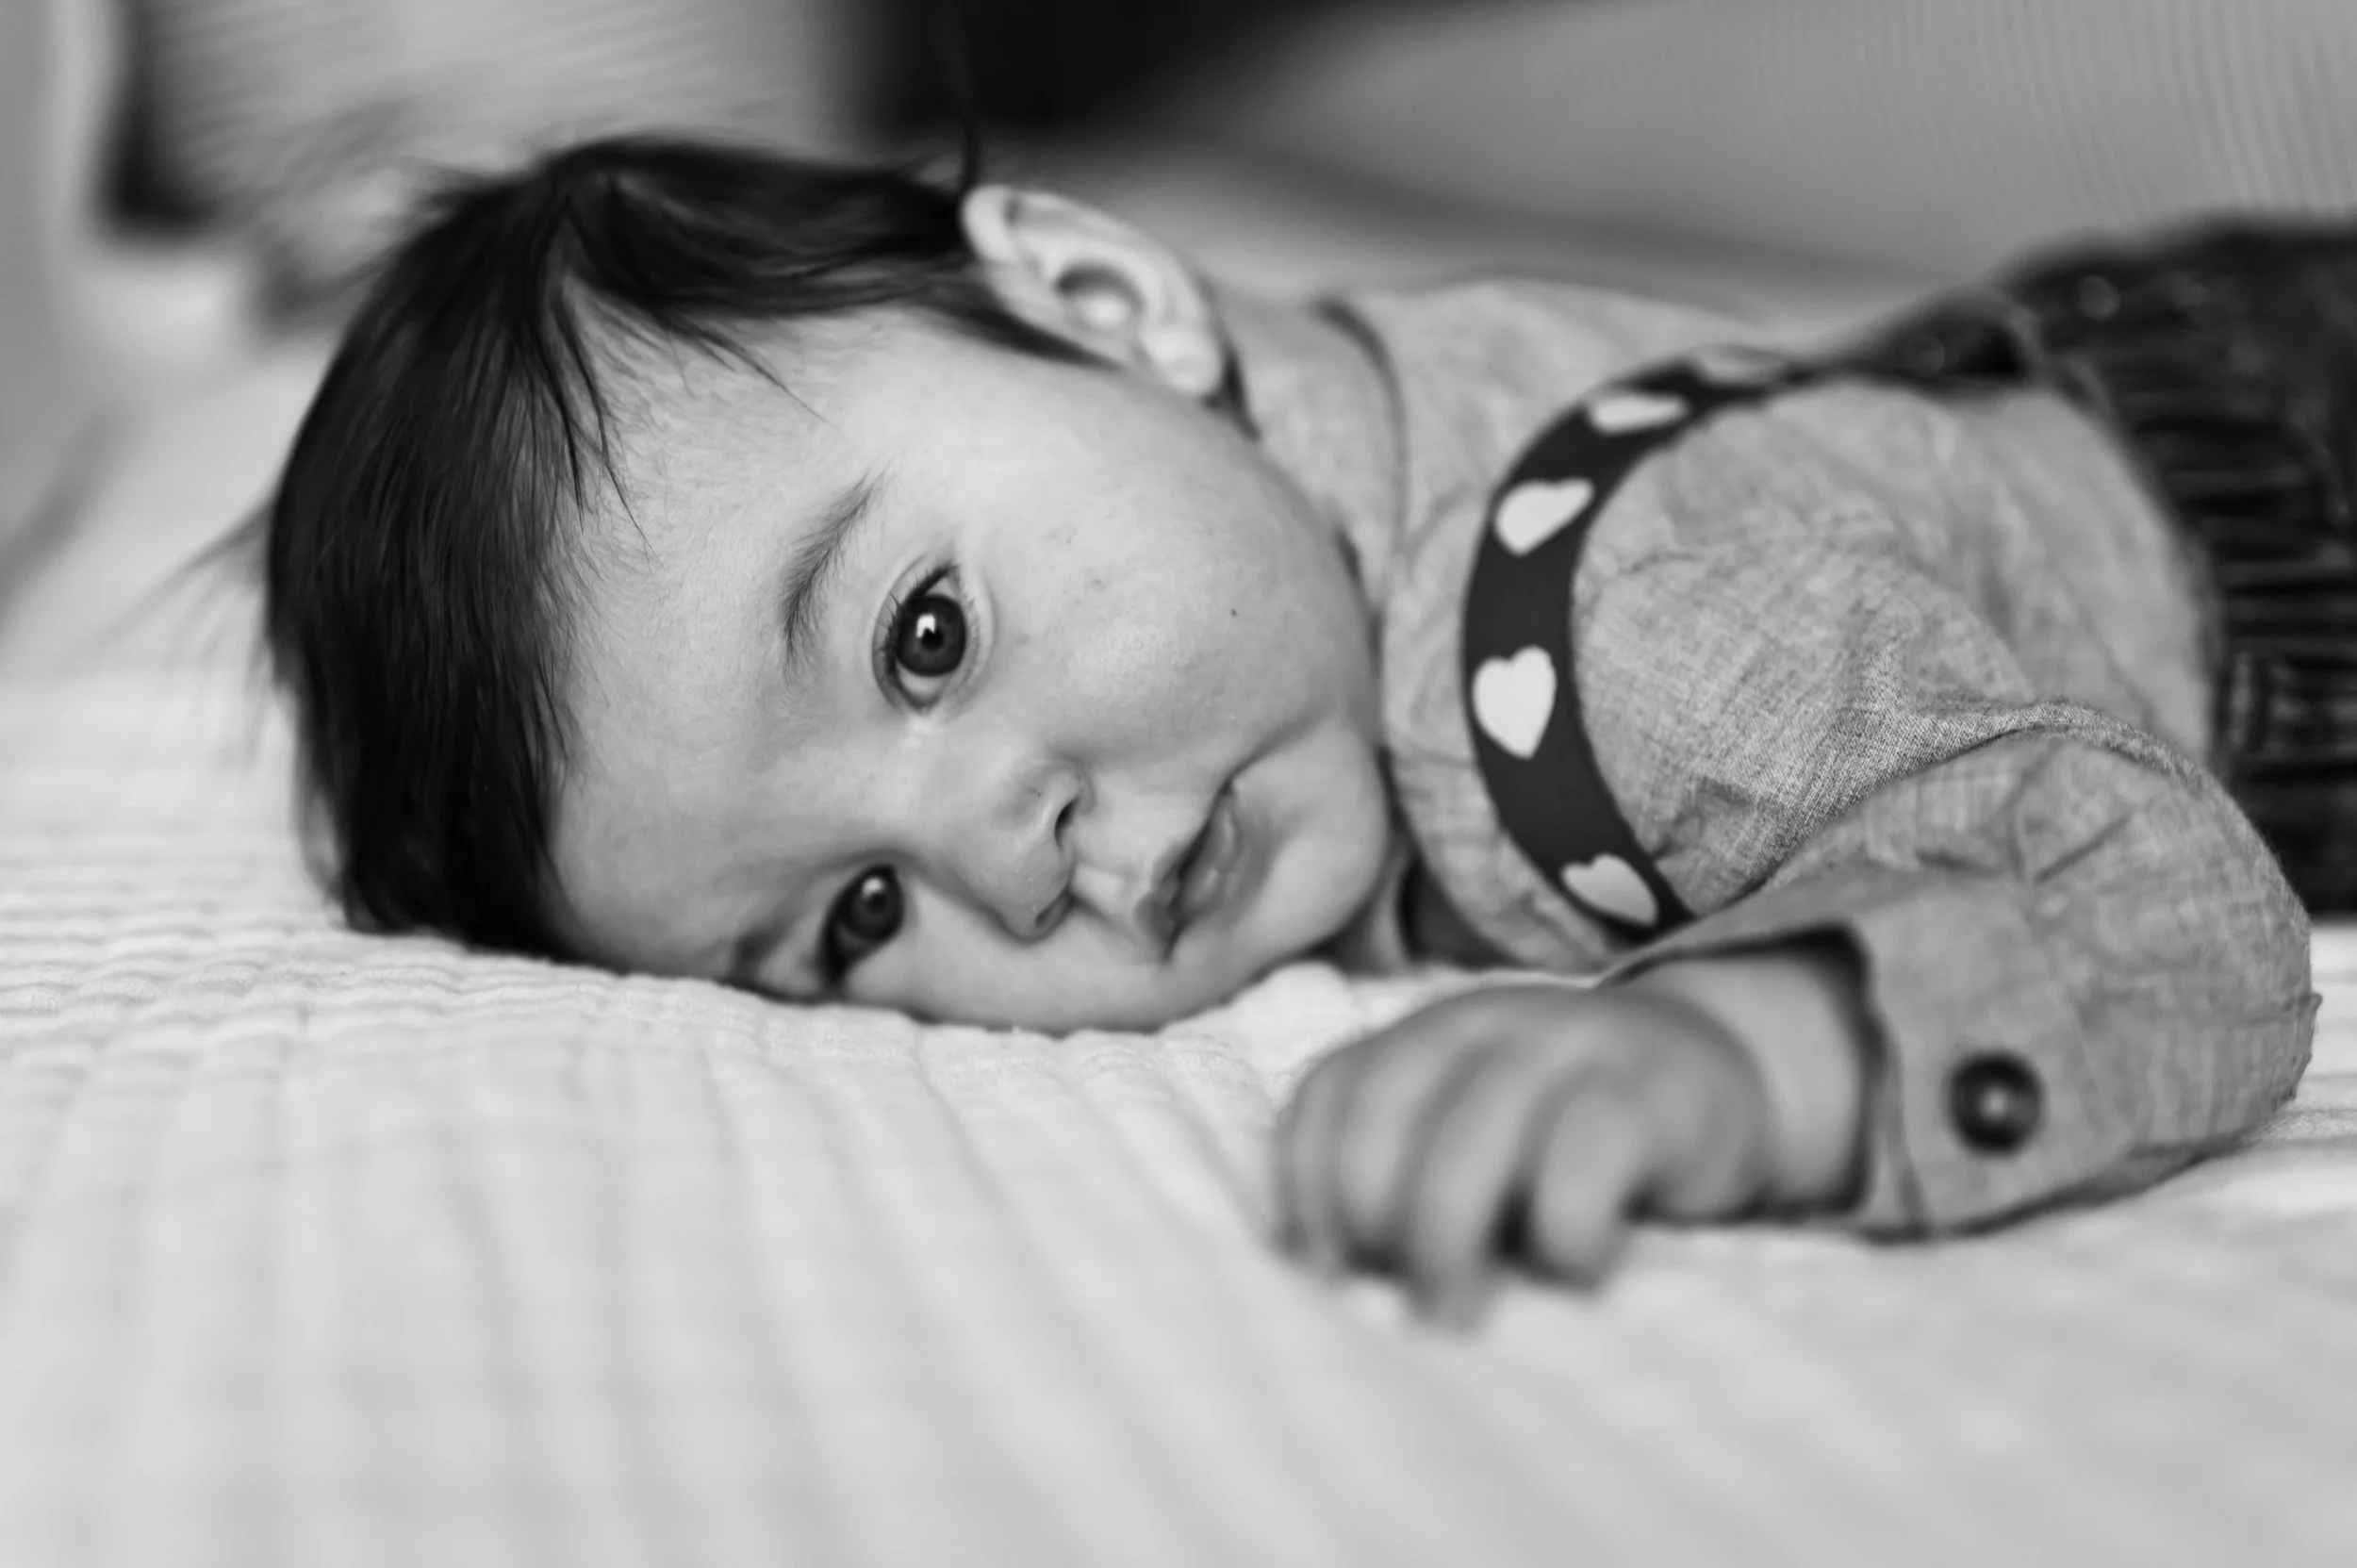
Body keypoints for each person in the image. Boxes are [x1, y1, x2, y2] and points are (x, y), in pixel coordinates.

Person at [259, 136, 2320, 1327]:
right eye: (858, 914)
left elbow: (2150, 889)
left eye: (922, 635)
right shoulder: (1287, 492)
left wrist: (1747, 1053)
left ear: (1103, 302)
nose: (1002, 857)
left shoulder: (1615, 647)